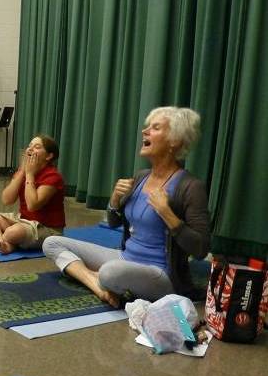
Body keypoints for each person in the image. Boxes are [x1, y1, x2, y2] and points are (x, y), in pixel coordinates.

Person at [43, 107, 211, 307]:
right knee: (51, 242)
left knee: (109, 272)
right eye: (147, 127)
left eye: (155, 128)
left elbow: (201, 249)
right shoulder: (141, 176)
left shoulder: (190, 186)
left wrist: (168, 214)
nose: (144, 131)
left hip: (161, 274)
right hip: (124, 258)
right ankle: (96, 284)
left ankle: (100, 278)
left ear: (175, 141)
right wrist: (114, 200)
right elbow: (114, 222)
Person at [0, 134, 65, 253]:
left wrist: (29, 174)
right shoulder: (24, 170)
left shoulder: (53, 176)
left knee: (13, 232)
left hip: (47, 228)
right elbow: (7, 200)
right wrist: (22, 171)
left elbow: (32, 205)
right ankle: (1, 242)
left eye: (37, 147)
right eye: (30, 146)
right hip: (23, 220)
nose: (30, 149)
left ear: (49, 156)